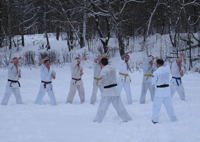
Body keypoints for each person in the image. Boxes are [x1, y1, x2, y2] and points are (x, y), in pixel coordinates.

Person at [94, 58, 132, 123]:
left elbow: (103, 79)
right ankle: (127, 119)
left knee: (102, 107)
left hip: (107, 91)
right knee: (120, 106)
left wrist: (103, 80)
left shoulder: (103, 71)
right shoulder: (113, 67)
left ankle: (98, 120)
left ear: (101, 63)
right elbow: (110, 61)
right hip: (115, 90)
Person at [151, 59, 177, 124]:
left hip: (159, 90)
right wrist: (163, 62)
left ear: (157, 64)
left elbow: (153, 82)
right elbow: (167, 63)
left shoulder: (156, 72)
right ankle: (173, 118)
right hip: (167, 90)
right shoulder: (167, 68)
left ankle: (155, 119)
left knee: (157, 106)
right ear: (163, 63)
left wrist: (153, 74)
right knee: (169, 106)